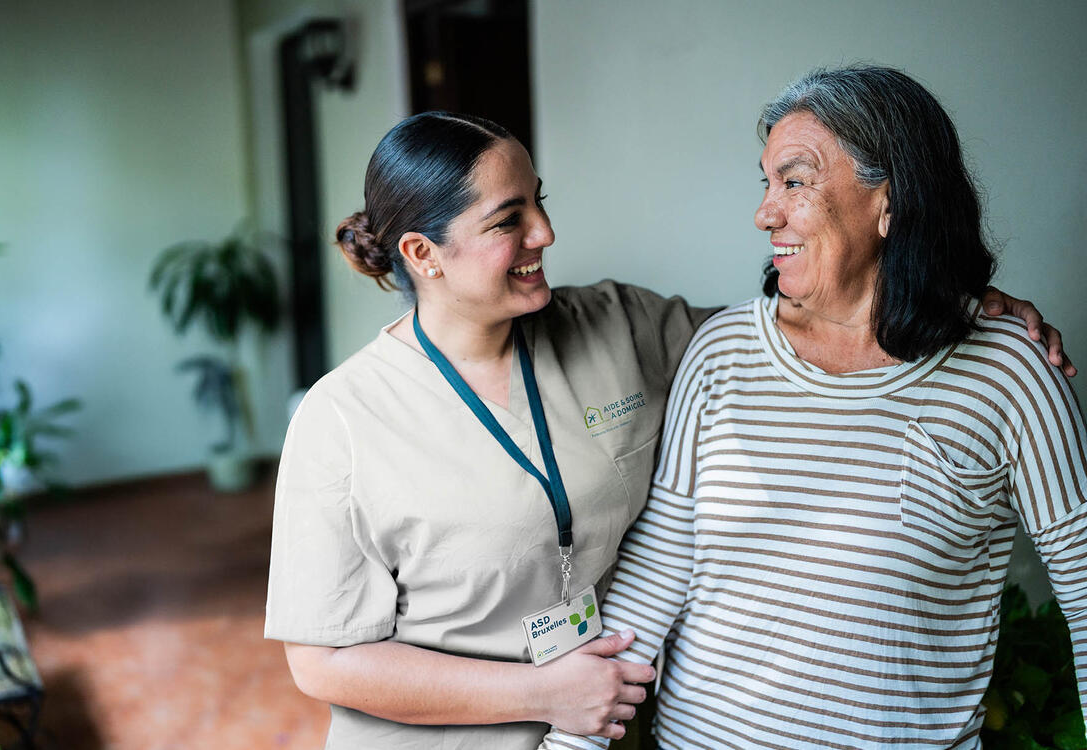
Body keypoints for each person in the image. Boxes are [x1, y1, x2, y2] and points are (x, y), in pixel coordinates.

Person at [263, 110, 1071, 750]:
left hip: (613, 725)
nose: (545, 232)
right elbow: (322, 661)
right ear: (422, 253)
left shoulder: (619, 324)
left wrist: (958, 303)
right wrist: (543, 694)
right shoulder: (343, 421)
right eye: (512, 218)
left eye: (542, 200)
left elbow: (815, 326)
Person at [539, 64, 1087, 750]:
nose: (766, 212)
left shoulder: (1009, 373)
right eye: (767, 184)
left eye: (795, 181)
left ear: (890, 201)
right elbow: (658, 573)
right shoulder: (723, 352)